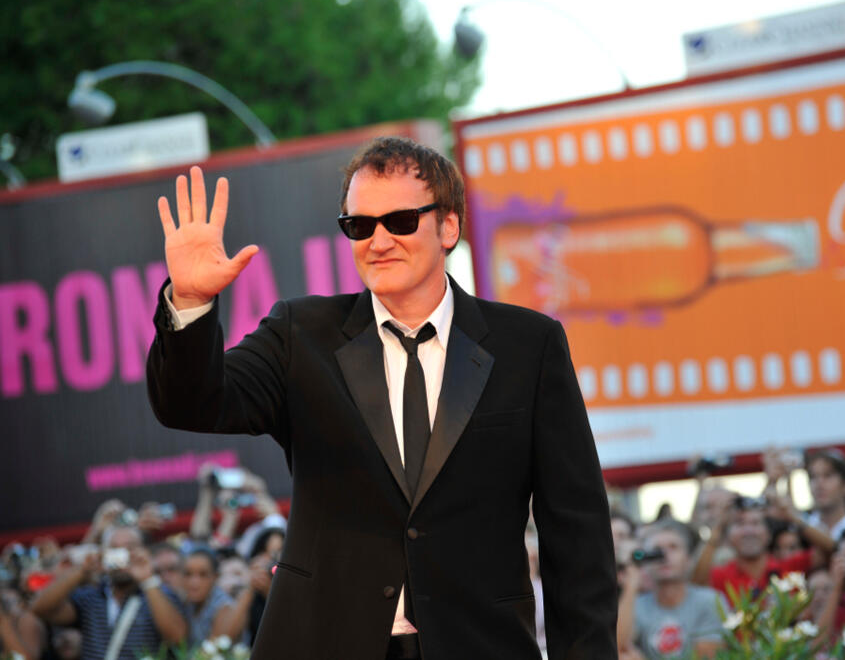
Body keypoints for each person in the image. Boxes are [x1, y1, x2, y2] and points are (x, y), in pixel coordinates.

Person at [145, 137, 617, 659]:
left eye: (401, 221)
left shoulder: (528, 346)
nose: (379, 240)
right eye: (360, 225)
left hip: (478, 645)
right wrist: (191, 302)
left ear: (449, 227)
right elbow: (193, 403)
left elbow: (577, 534)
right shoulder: (300, 334)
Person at [29, 526, 187, 660]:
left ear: (144, 551)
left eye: (130, 548)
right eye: (114, 548)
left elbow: (178, 639)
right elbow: (39, 609)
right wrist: (82, 570)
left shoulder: (158, 594)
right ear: (104, 553)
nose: (122, 554)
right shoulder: (90, 596)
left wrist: (147, 579)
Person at [692, 497, 832, 603]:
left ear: (769, 534)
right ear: (728, 536)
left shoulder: (788, 568)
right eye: (740, 523)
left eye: (756, 523)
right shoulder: (721, 575)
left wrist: (792, 517)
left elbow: (830, 549)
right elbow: (697, 582)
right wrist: (719, 527)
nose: (749, 531)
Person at [618, 521, 725, 659]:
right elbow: (616, 647)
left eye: (673, 547)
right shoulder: (637, 604)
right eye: (656, 550)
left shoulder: (710, 601)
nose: (664, 556)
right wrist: (632, 583)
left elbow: (707, 656)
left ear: (689, 559)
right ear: (647, 562)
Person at [180, 548, 245, 647]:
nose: (194, 582)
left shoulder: (224, 606)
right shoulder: (188, 602)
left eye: (203, 575)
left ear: (215, 577)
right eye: (188, 574)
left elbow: (213, 651)